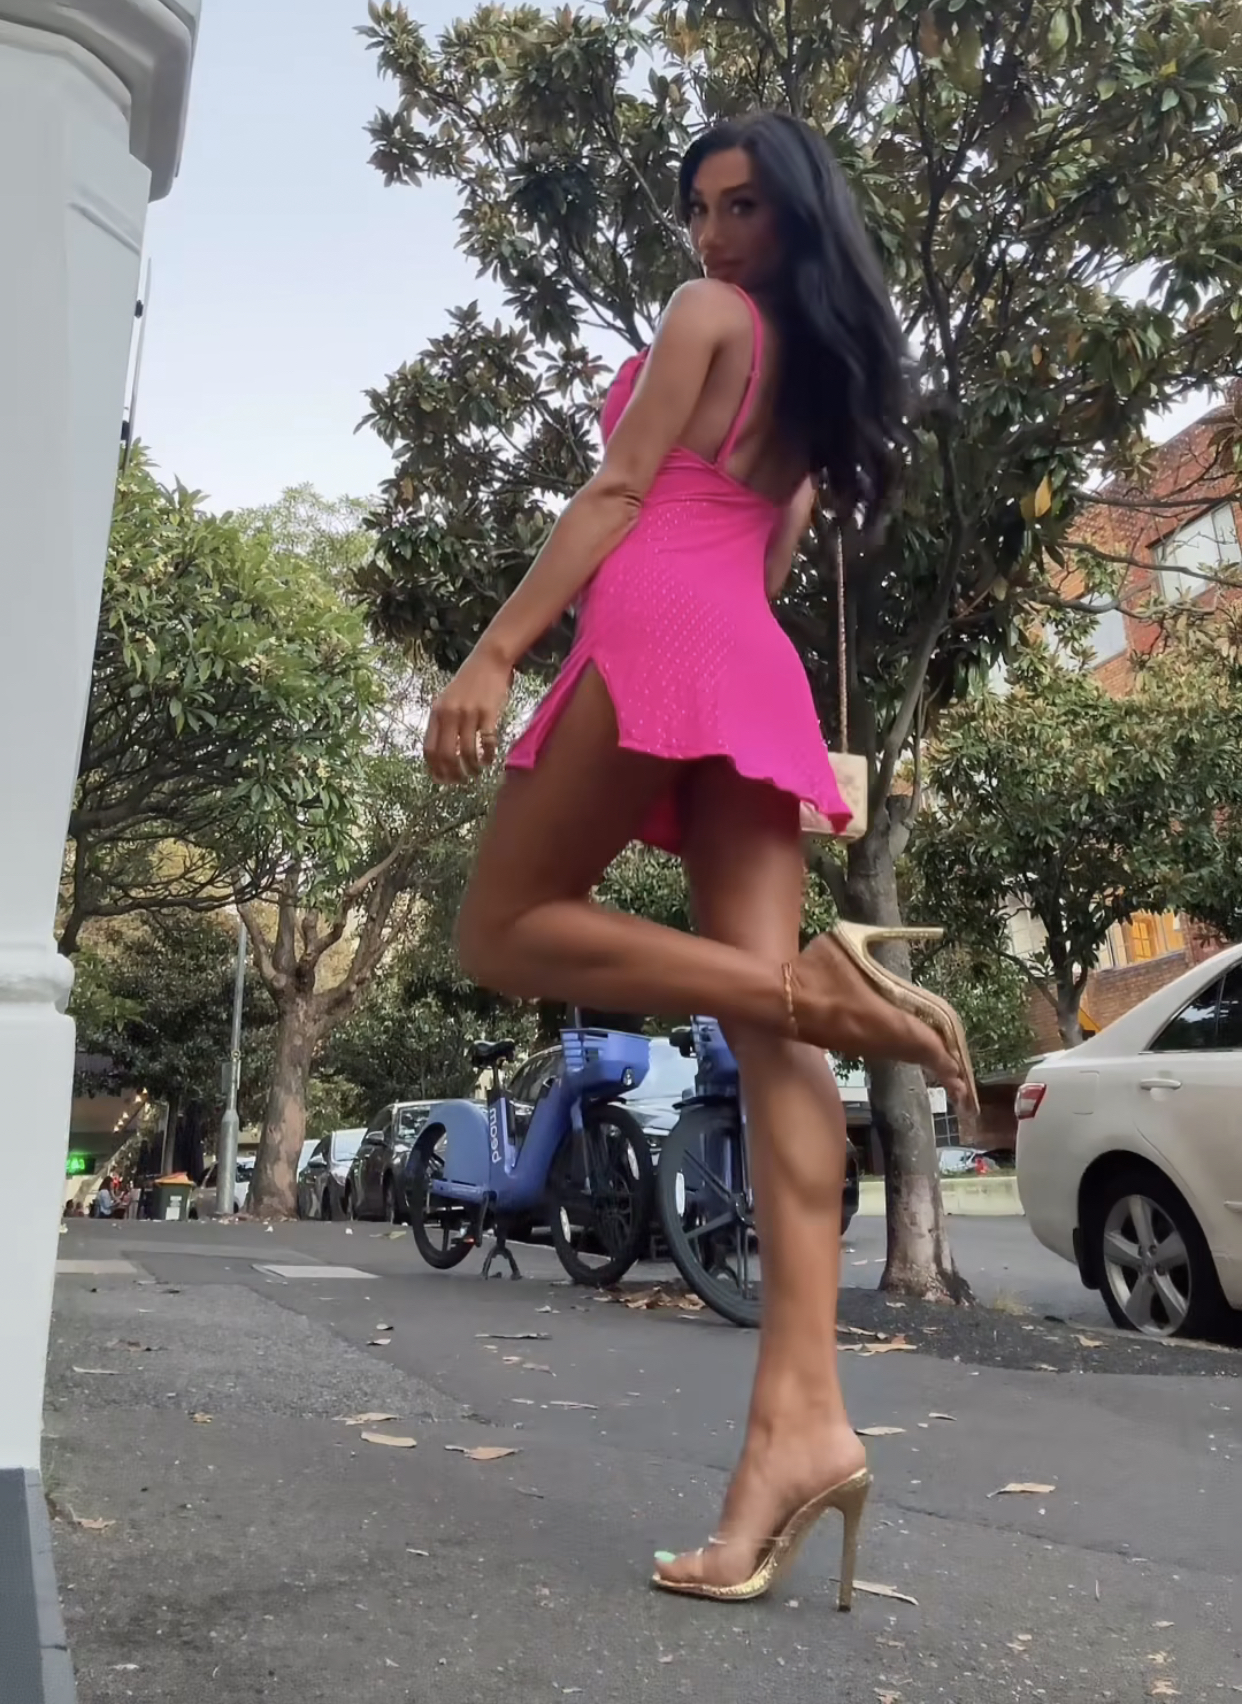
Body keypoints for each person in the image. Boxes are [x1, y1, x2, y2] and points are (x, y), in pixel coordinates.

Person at [423, 110, 975, 1605]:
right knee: (771, 1037)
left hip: (657, 626)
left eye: (742, 207)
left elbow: (620, 494)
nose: (715, 238)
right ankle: (802, 1430)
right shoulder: (821, 383)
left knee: (503, 928)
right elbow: (770, 555)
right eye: (699, 212)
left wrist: (495, 654)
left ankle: (805, 989)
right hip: (745, 654)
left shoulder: (705, 318)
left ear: (794, 212)